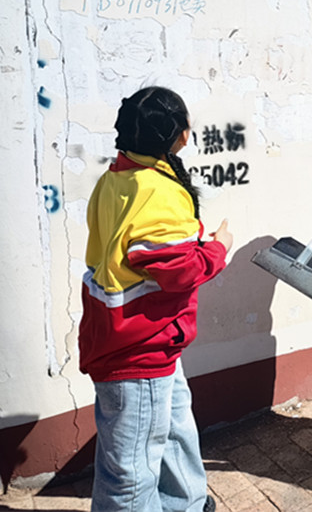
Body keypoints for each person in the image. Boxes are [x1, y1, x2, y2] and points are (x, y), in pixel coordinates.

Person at [80, 87, 232, 512]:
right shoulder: (158, 192)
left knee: (173, 429)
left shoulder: (118, 177)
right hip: (136, 348)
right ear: (181, 136)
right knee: (129, 471)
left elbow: (147, 250)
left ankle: (187, 502)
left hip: (147, 339)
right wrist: (218, 248)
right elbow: (179, 270)